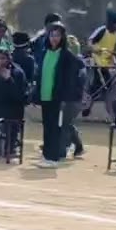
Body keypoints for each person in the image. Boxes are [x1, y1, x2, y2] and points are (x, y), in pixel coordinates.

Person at [32, 22, 83, 168]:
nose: (54, 38)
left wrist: (65, 96)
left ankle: (53, 158)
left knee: (55, 128)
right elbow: (40, 75)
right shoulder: (44, 52)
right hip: (45, 96)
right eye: (52, 35)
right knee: (47, 126)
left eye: (58, 35)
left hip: (57, 98)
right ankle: (46, 155)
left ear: (62, 37)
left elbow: (72, 76)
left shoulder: (66, 55)